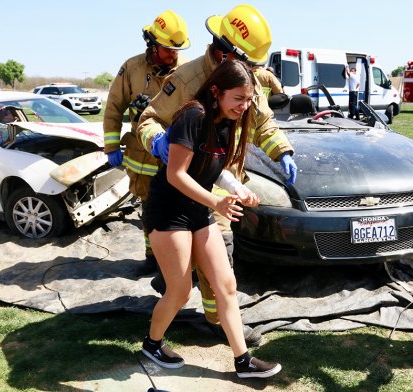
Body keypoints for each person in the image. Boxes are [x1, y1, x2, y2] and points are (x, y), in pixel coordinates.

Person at [137, 4, 297, 346]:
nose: (252, 72)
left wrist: (281, 151)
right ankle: (183, 320)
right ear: (226, 52)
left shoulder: (243, 80)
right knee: (191, 274)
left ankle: (216, 321)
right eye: (248, 62)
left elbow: (263, 123)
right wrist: (157, 141)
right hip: (183, 187)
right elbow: (149, 118)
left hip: (220, 179)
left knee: (221, 265)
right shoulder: (188, 80)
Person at [141, 59, 282, 379]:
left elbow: (214, 168)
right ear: (216, 91)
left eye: (248, 100)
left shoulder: (225, 121)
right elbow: (176, 175)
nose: (245, 107)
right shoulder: (194, 115)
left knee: (226, 285)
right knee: (178, 290)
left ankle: (243, 360)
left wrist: (236, 189)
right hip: (168, 212)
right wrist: (216, 202)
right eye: (238, 99)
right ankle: (152, 343)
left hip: (197, 211)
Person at [103, 10, 190, 274]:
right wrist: (111, 146)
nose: (172, 55)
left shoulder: (187, 70)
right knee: (148, 209)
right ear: (151, 44)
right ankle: (152, 258)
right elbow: (114, 107)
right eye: (166, 50)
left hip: (174, 155)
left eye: (176, 50)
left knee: (176, 211)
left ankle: (178, 263)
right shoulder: (132, 68)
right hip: (140, 156)